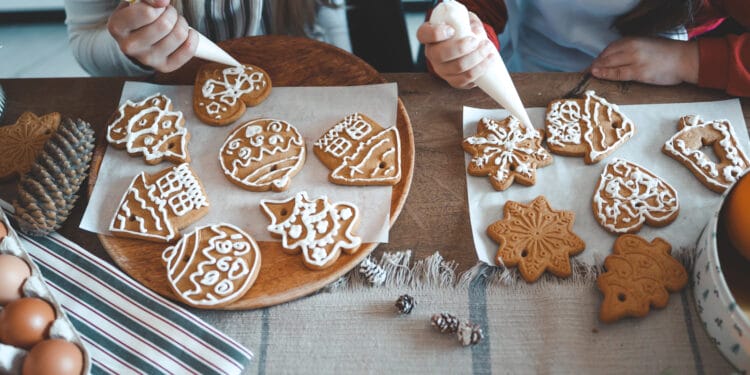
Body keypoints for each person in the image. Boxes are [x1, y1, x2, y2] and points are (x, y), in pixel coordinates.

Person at [417, 0, 750, 97]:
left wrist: (692, 61)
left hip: (663, 86)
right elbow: (472, 9)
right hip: (523, 65)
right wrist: (463, 44)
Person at [63, 0, 351, 76]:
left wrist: (341, 70)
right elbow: (84, 39)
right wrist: (130, 49)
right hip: (164, 91)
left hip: (289, 75)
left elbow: (330, 17)